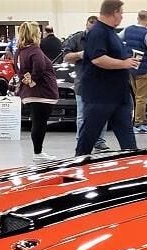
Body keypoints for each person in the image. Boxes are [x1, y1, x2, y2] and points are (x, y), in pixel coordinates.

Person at [75, 0, 141, 156]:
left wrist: (128, 60)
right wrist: (124, 63)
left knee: (128, 138)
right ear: (114, 12)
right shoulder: (98, 32)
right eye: (121, 13)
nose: (122, 17)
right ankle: (76, 166)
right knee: (89, 136)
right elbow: (98, 59)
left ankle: (133, 164)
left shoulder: (111, 33)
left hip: (118, 96)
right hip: (100, 97)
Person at [14, 21, 59, 163]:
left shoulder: (19, 51)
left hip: (29, 93)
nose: (40, 34)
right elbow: (39, 67)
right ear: (34, 33)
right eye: (38, 32)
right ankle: (38, 153)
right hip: (41, 93)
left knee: (37, 122)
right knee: (40, 123)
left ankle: (38, 152)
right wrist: (33, 79)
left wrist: (26, 80)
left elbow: (17, 69)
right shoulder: (35, 50)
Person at [63, 16, 110, 152]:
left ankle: (99, 141)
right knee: (82, 116)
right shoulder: (77, 39)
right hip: (83, 84)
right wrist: (79, 54)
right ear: (86, 25)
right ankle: (81, 141)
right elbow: (66, 57)